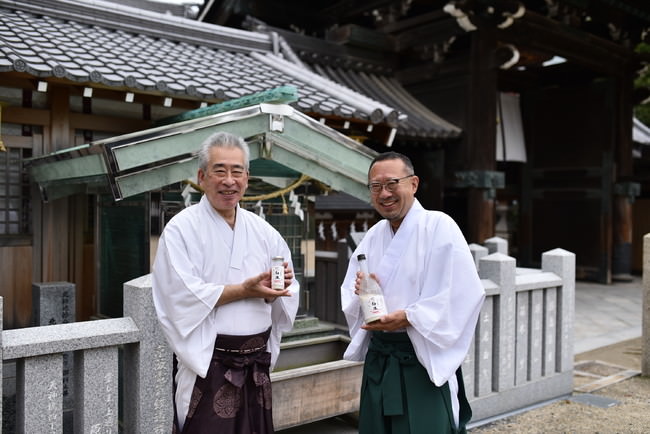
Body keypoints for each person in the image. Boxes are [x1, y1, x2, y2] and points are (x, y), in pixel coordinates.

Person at [152, 131, 299, 434]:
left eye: (237, 171)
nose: (229, 180)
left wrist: (275, 292)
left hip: (256, 366)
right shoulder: (181, 229)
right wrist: (244, 290)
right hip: (209, 366)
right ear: (202, 176)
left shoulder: (264, 232)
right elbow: (178, 295)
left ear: (247, 177)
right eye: (220, 171)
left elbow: (286, 290)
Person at [340, 151, 485, 434]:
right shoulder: (373, 236)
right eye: (376, 187)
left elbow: (460, 293)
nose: (384, 194)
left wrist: (408, 317)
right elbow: (349, 293)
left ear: (414, 184)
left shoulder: (439, 226)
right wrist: (360, 294)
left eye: (392, 183)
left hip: (421, 361)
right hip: (381, 359)